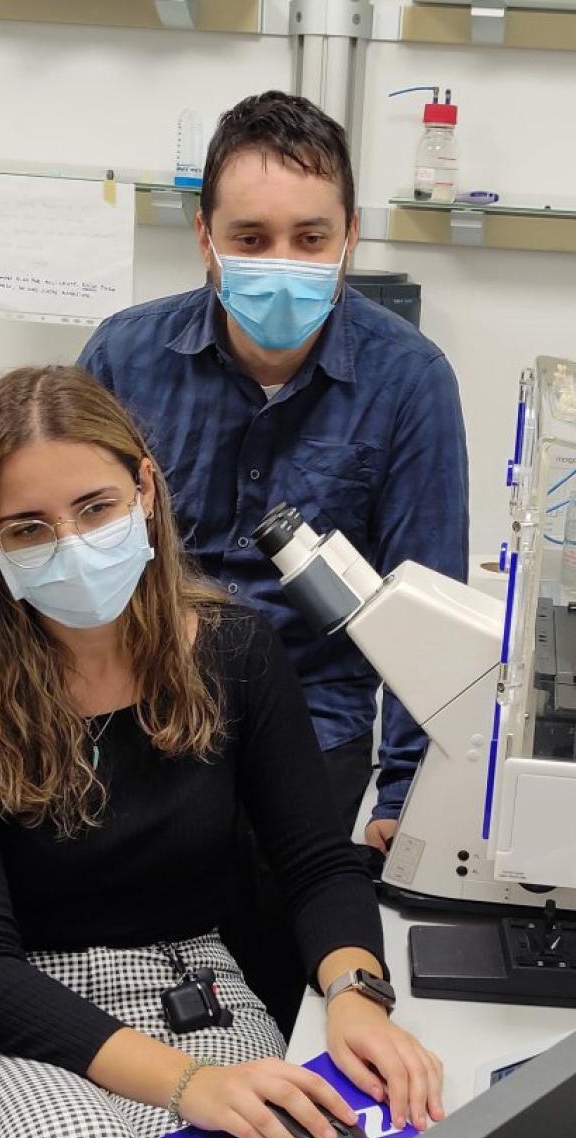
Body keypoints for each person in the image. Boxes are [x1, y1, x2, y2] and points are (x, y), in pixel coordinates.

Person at [0, 366, 445, 1138]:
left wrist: (352, 992)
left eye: (95, 506)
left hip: (191, 989)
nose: (70, 543)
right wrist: (186, 1086)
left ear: (145, 489)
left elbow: (315, 863)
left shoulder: (234, 652)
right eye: (28, 529)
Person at [78, 90, 468, 1033]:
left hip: (319, 741)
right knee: (136, 986)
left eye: (308, 236)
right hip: (146, 721)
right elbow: (69, 540)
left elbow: (430, 602)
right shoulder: (124, 358)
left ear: (350, 237)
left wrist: (407, 795)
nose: (280, 263)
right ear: (205, 237)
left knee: (273, 998)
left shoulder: (408, 380)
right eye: (250, 238)